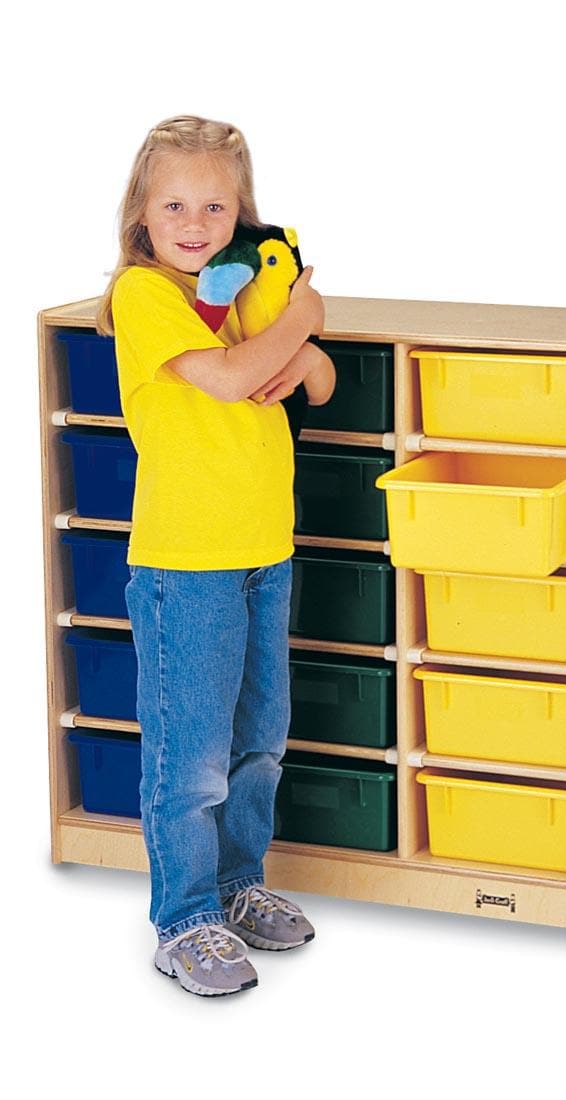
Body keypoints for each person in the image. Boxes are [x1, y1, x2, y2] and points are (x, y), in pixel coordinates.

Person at [96, 115, 336, 996]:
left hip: (265, 549)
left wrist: (301, 343)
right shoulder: (145, 296)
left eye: (215, 205)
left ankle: (238, 888)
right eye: (174, 205)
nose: (195, 222)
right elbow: (235, 381)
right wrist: (302, 319)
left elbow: (319, 382)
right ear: (142, 214)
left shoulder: (242, 295)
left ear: (242, 215)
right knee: (189, 757)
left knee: (258, 743)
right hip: (185, 564)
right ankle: (184, 917)